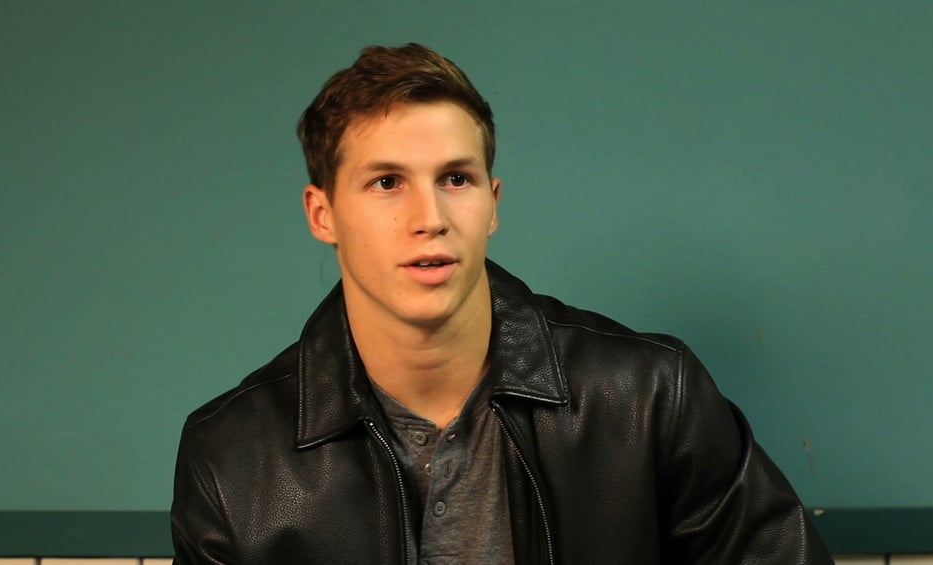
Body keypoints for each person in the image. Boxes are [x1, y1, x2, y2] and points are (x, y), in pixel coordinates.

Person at [171, 43, 833, 564]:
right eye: (387, 182)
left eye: (455, 179)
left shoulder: (651, 395)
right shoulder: (231, 458)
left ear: (491, 203)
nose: (429, 217)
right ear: (323, 214)